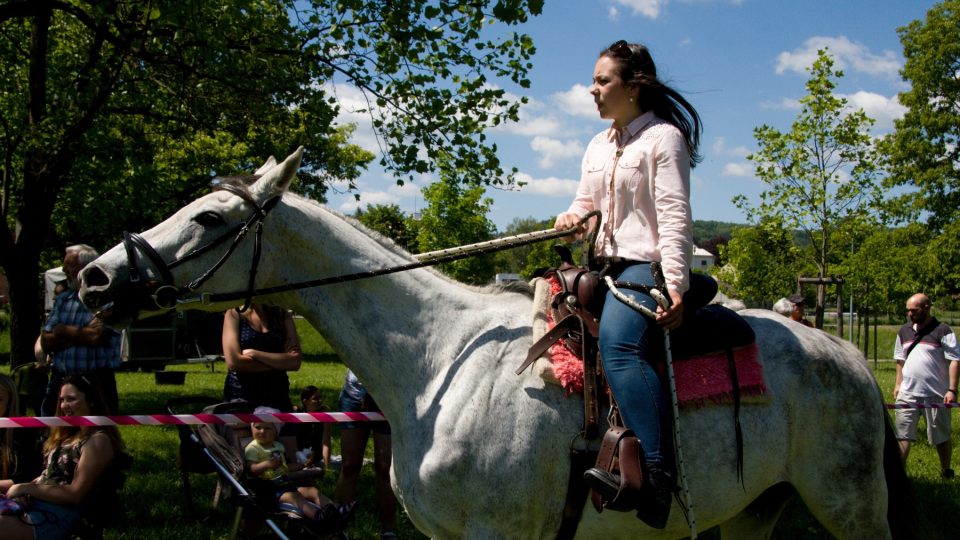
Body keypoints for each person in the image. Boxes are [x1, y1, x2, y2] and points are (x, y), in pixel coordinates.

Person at [554, 39, 718, 529]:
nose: (593, 90)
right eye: (594, 81)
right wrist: (570, 219)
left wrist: (675, 287)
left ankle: (657, 475)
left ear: (634, 85)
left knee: (620, 345)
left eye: (603, 80)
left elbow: (672, 219)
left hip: (643, 267)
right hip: (600, 267)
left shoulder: (663, 139)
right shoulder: (597, 145)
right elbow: (585, 206)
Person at [0, 375, 127, 540]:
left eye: (71, 399)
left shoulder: (98, 441)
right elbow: (49, 476)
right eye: (61, 400)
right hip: (33, 505)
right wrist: (25, 491)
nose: (64, 405)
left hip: (56, 515)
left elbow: (75, 494)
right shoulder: (69, 437)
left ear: (92, 401)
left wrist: (26, 488)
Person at [40, 245, 122, 416]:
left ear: (86, 268)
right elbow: (46, 340)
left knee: (100, 432)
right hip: (61, 378)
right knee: (54, 432)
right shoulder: (64, 299)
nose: (64, 270)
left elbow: (95, 336)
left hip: (97, 381)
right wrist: (79, 333)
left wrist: (62, 330)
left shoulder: (107, 298)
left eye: (69, 265)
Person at [244, 406, 349, 533]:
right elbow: (251, 469)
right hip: (267, 489)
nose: (262, 431)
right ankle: (318, 517)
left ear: (276, 432)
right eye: (258, 427)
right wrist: (267, 464)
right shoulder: (253, 448)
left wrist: (302, 465)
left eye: (267, 428)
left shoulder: (278, 446)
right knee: (295, 497)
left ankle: (337, 511)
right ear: (252, 428)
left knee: (312, 491)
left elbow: (285, 468)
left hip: (284, 484)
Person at [893, 293, 960, 479]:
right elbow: (900, 359)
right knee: (902, 435)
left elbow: (955, 360)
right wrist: (898, 384)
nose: (909, 313)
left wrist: (952, 389)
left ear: (926, 307)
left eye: (913, 310)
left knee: (941, 435)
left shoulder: (943, 331)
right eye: (908, 310)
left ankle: (946, 470)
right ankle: (898, 475)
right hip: (907, 393)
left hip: (936, 393)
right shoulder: (904, 331)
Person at [334, 369, 398, 539]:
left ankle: (388, 530)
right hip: (354, 394)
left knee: (385, 468)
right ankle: (338, 528)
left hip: (389, 393)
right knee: (349, 466)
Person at [222, 303, 301, 412]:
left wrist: (255, 354)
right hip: (240, 395)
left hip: (277, 394)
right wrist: (279, 363)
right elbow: (234, 362)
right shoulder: (234, 314)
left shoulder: (282, 315)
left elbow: (294, 362)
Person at [0, 374, 42, 492]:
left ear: (10, 402)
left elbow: (25, 477)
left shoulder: (23, 431)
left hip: (9, 499)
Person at [295, 386, 333, 472]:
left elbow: (326, 441)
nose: (320, 401)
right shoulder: (297, 413)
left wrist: (327, 467)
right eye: (315, 398)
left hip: (316, 454)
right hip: (298, 453)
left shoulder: (324, 412)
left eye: (320, 397)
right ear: (305, 401)